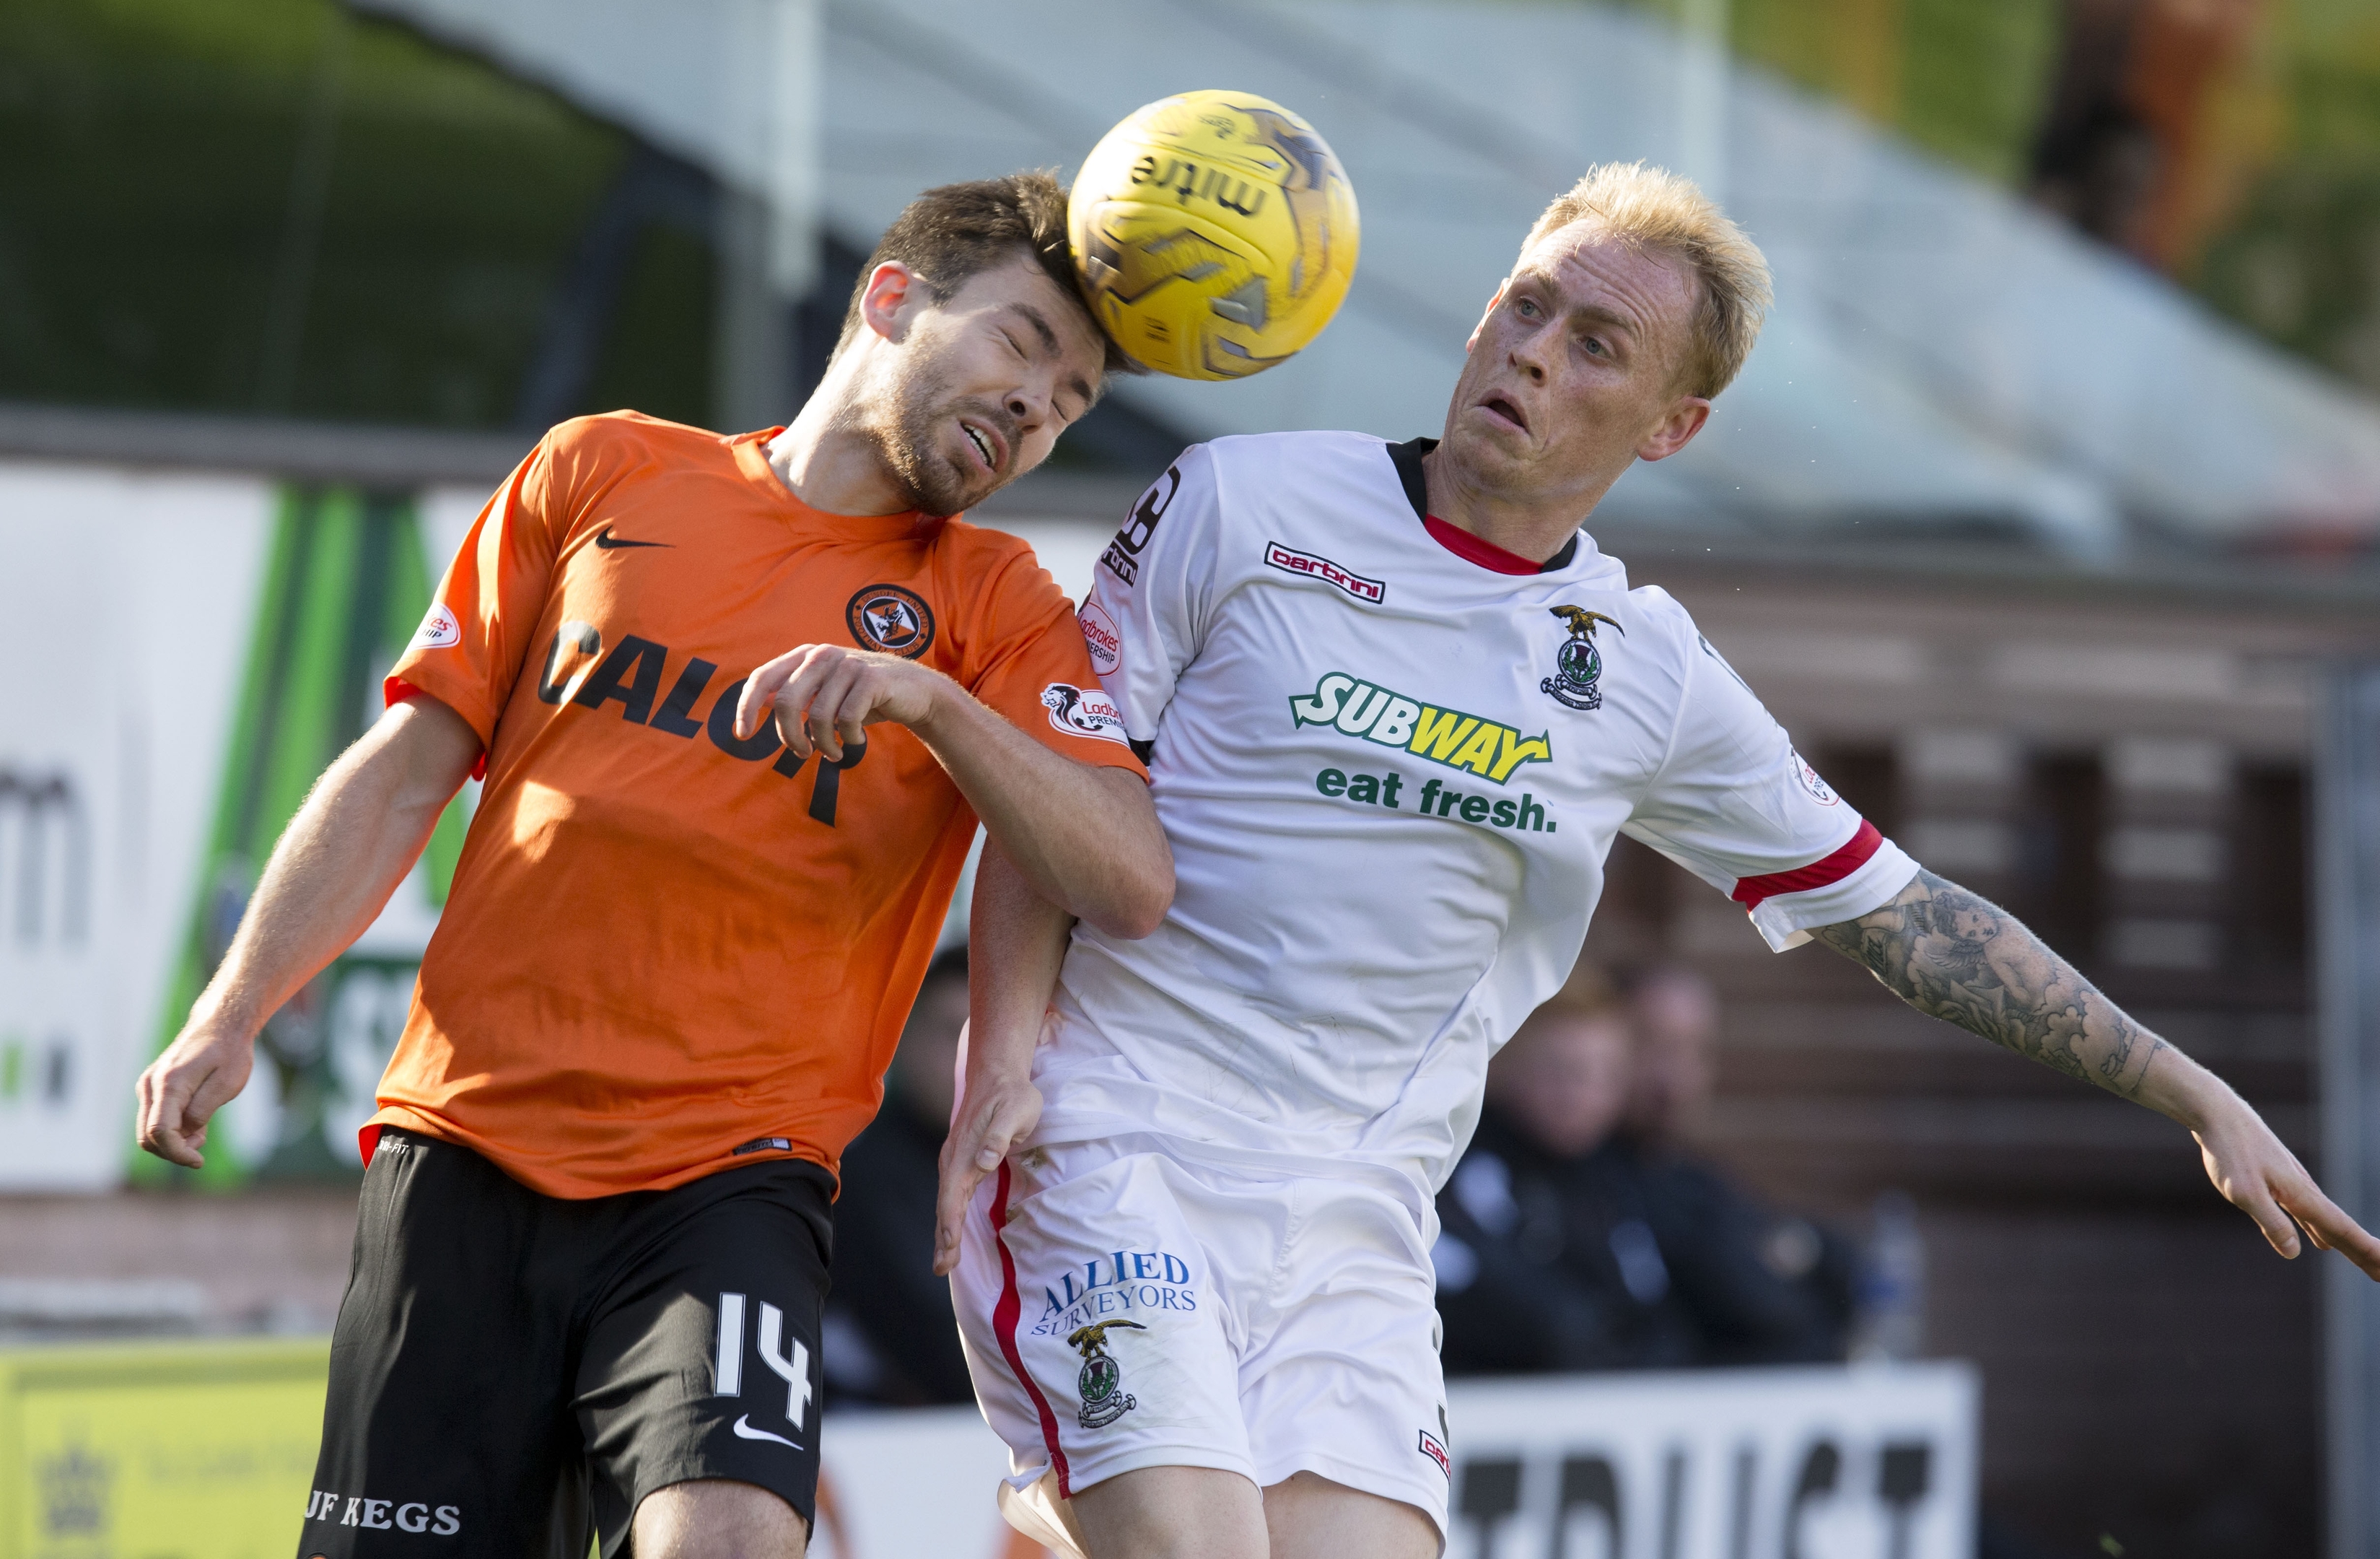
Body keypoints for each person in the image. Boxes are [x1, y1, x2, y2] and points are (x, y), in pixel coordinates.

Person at [930, 160, 2380, 1559]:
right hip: (1114, 1147)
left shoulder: (1642, 672)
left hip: (1356, 1227)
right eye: (1522, 307)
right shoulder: (1237, 503)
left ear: (1668, 427)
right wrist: (1002, 1060)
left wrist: (2185, 1089)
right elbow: (1059, 801)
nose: (1531, 355)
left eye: (1594, 343)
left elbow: (1904, 914)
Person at [132, 173, 1173, 1559]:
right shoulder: (602, 467)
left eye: (1072, 403)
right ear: (887, 299)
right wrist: (231, 1008)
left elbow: (1126, 876)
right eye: (1020, 345)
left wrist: (930, 704)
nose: (1036, 407)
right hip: (466, 1147)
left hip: (729, 1177)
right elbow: (405, 766)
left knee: (731, 1540)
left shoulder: (994, 607)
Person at [1431, 972, 1702, 1374]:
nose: (1581, 1096)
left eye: (1604, 1076)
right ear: (1508, 1068)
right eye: (1563, 1073)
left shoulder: (1627, 1178)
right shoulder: (1457, 1169)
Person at [1610, 964, 1858, 1366]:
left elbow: (1839, 1269)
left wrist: (1798, 1248)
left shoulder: (1694, 1179)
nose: (1676, 1077)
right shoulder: (1578, 1184)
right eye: (1656, 1046)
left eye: (1698, 1051)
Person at [825, 944, 976, 1407]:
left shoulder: (1044, 1167)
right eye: (954, 1032)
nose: (972, 1058)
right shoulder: (862, 1176)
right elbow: (934, 1346)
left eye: (991, 1036)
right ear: (903, 1039)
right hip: (886, 1447)